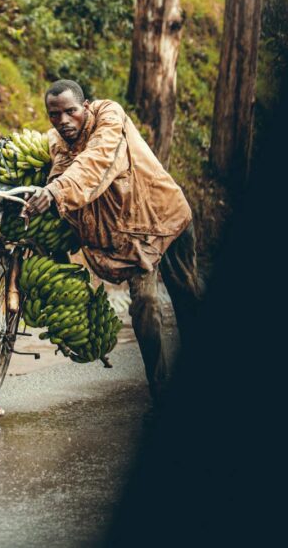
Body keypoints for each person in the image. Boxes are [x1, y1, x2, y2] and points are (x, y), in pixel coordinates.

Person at [21, 78, 202, 403]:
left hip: (164, 216)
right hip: (130, 237)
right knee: (145, 305)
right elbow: (63, 173)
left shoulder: (110, 119)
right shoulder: (59, 142)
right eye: (54, 114)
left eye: (70, 112)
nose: (63, 121)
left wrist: (56, 191)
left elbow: (95, 163)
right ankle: (160, 389)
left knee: (186, 294)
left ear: (85, 107)